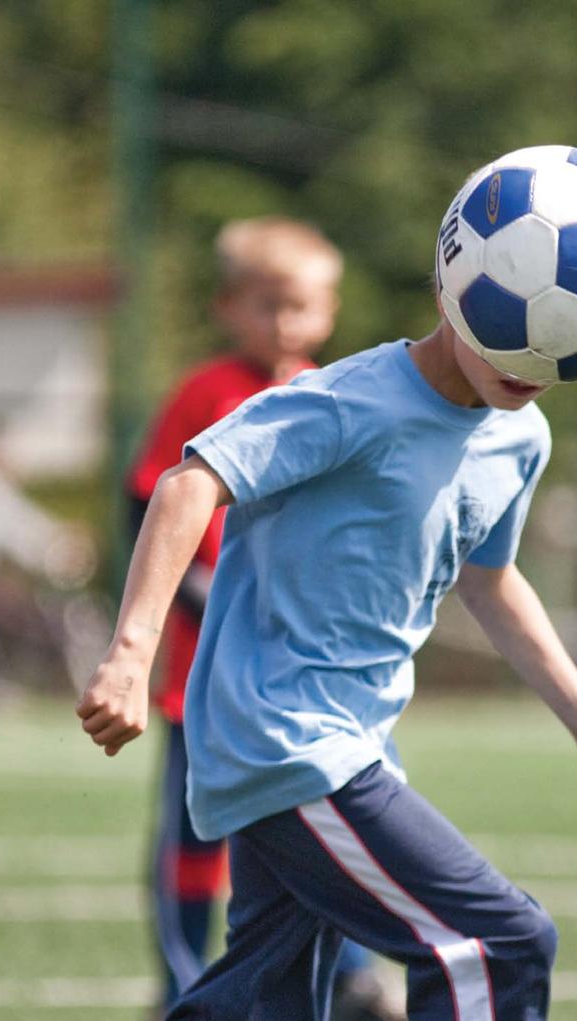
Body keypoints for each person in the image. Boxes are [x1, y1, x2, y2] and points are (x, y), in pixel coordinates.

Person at [78, 181, 577, 1019]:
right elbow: (188, 484)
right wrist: (131, 653)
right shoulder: (348, 400)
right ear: (452, 287)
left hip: (352, 740)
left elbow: (492, 576)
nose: (533, 361)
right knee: (495, 941)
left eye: (564, 347)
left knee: (267, 1000)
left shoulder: (520, 435)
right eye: (517, 327)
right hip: (287, 742)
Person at [125, 216, 400, 1019]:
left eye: (300, 305)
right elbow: (149, 500)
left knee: (317, 820)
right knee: (195, 832)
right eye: (265, 304)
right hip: (206, 673)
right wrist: (194, 597)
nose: (283, 322)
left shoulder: (331, 394)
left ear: (330, 308)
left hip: (301, 670)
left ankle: (350, 974)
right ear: (227, 307)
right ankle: (182, 979)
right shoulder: (203, 394)